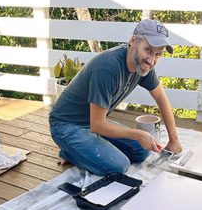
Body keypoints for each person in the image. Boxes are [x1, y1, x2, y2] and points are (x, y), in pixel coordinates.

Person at [48, 19, 183, 175]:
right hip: (65, 124)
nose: (152, 60)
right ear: (133, 41)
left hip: (91, 122)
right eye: (148, 50)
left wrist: (174, 140)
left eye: (158, 54)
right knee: (119, 165)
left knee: (142, 152)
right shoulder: (107, 67)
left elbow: (162, 99)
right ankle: (69, 151)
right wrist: (137, 134)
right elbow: (97, 125)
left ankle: (82, 147)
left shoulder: (144, 65)